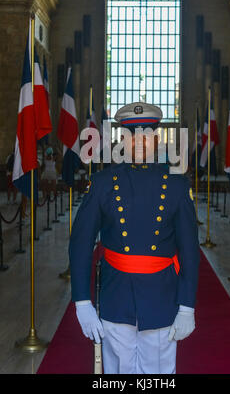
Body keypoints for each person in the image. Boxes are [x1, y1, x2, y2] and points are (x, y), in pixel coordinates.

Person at [69, 102, 200, 374]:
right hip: (117, 292)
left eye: (146, 136)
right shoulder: (103, 183)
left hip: (162, 294)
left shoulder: (176, 184)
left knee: (159, 372)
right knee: (119, 371)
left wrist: (187, 306)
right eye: (131, 136)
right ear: (122, 141)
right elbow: (81, 244)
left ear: (156, 140)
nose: (139, 142)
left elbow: (189, 251)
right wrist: (82, 301)